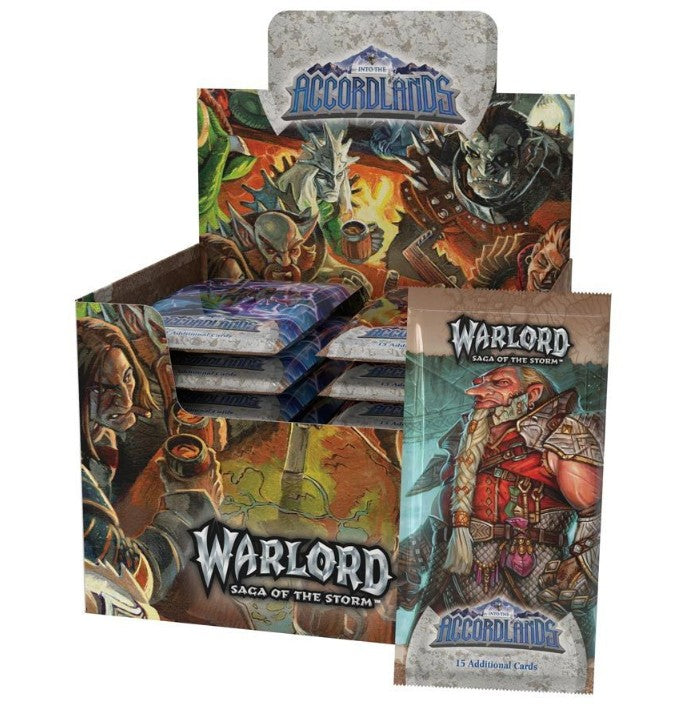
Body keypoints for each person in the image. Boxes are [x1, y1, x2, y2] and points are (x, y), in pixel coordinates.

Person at [78, 317, 221, 610]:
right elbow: (131, 580)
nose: (125, 399)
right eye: (101, 389)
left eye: (127, 377)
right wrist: (192, 508)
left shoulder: (102, 435)